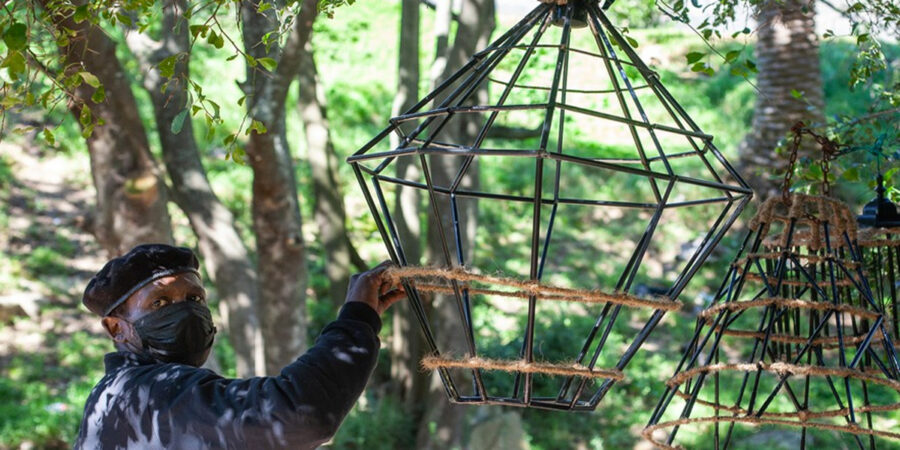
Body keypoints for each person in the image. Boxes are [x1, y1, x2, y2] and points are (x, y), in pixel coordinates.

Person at [74, 243, 405, 449]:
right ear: (116, 328)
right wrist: (357, 319)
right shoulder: (152, 392)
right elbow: (297, 416)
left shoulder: (111, 395)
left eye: (194, 298)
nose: (185, 311)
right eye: (159, 303)